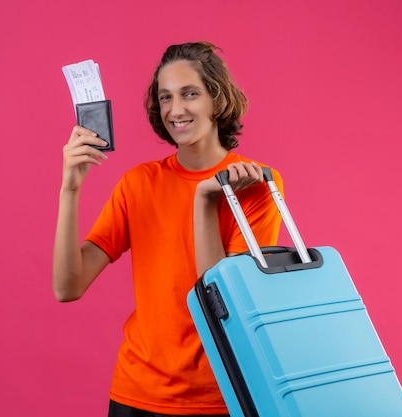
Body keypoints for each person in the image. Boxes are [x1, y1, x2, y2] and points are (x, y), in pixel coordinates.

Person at [53, 41, 284, 417]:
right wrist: (70, 188)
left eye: (189, 94)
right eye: (165, 97)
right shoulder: (138, 183)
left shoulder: (255, 184)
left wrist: (206, 200)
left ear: (216, 99)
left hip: (217, 396)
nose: (175, 110)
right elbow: (67, 287)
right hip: (134, 393)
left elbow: (218, 304)